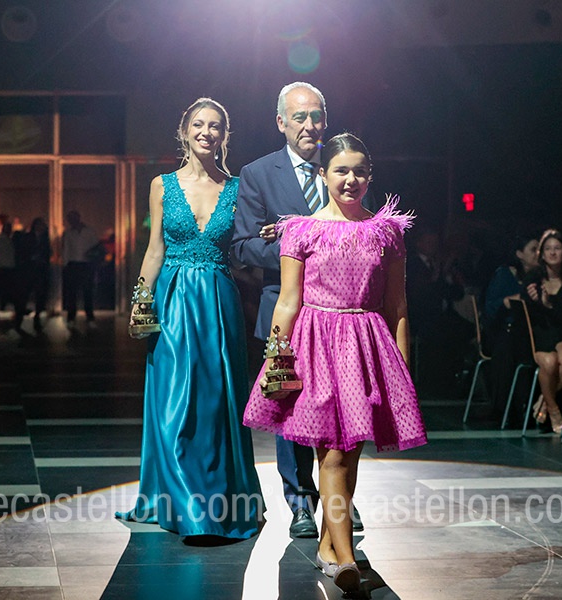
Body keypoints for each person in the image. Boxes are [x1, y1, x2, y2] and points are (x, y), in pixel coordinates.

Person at [243, 133, 427, 594]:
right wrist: (276, 356)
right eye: (341, 170)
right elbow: (288, 300)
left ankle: (329, 545)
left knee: (351, 453)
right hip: (316, 345)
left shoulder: (386, 232)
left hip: (367, 345)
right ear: (323, 174)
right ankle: (345, 558)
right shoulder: (301, 229)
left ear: (370, 176)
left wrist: (402, 367)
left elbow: (398, 305)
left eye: (359, 171)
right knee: (332, 452)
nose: (351, 179)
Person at [116, 98, 262, 540]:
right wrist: (141, 300)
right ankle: (185, 504)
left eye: (215, 126)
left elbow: (245, 250)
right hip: (173, 300)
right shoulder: (162, 185)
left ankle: (217, 499)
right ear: (184, 131)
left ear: (224, 135)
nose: (206, 132)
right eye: (198, 124)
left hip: (218, 301)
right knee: (173, 401)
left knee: (216, 403)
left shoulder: (238, 188)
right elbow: (154, 250)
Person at [232, 82, 361, 539]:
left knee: (339, 410)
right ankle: (301, 501)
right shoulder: (257, 173)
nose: (309, 125)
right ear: (281, 123)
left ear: (325, 120)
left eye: (315, 116)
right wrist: (297, 247)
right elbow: (243, 246)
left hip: (339, 314)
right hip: (284, 309)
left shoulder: (342, 166)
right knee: (290, 410)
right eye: (299, 117)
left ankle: (339, 498)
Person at [522, 229, 562, 434]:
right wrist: (538, 303)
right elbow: (526, 313)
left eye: (557, 248)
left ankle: (544, 400)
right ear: (542, 254)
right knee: (550, 363)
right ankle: (554, 411)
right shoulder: (533, 278)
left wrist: (549, 304)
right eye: (548, 249)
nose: (552, 253)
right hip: (540, 333)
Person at [482, 234, 538, 421]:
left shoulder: (543, 277)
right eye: (533, 249)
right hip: (504, 328)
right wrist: (509, 301)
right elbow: (490, 307)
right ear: (520, 254)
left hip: (534, 330)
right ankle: (507, 408)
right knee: (509, 343)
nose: (538, 254)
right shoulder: (505, 274)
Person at [61, 210, 99, 326]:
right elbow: (66, 249)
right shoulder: (68, 233)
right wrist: (65, 265)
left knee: (87, 292)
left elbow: (96, 246)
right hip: (73, 264)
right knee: (73, 293)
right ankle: (72, 317)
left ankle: (89, 317)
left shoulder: (89, 231)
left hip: (86, 264)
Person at [16, 217, 52, 331]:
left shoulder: (45, 239)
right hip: (29, 270)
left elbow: (48, 253)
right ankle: (19, 319)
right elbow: (22, 252)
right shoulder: (28, 237)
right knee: (24, 295)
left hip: (40, 271)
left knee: (40, 295)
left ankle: (37, 318)